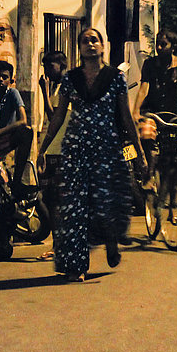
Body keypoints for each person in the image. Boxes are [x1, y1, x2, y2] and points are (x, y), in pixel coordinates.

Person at [38, 28, 146, 282]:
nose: (90, 44)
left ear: (102, 46)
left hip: (107, 149)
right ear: (80, 48)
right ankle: (77, 266)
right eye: (85, 41)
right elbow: (58, 116)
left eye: (94, 40)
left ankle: (111, 239)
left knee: (107, 202)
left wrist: (139, 150)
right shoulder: (71, 79)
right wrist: (42, 148)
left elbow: (126, 116)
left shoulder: (115, 78)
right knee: (75, 207)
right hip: (76, 151)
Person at [0, 60, 33, 193]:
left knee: (27, 131)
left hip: (2, 139)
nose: (0, 80)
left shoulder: (12, 93)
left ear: (11, 80)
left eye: (4, 77)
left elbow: (23, 121)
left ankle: (17, 182)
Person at [132, 30, 177, 119]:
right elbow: (143, 90)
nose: (158, 47)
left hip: (174, 114)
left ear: (173, 47)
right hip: (152, 112)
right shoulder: (149, 64)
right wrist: (136, 112)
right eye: (157, 44)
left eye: (163, 44)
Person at [39, 50, 67, 122]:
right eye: (45, 68)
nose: (47, 71)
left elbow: (53, 118)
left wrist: (45, 92)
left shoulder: (65, 88)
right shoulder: (54, 86)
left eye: (51, 67)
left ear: (62, 66)